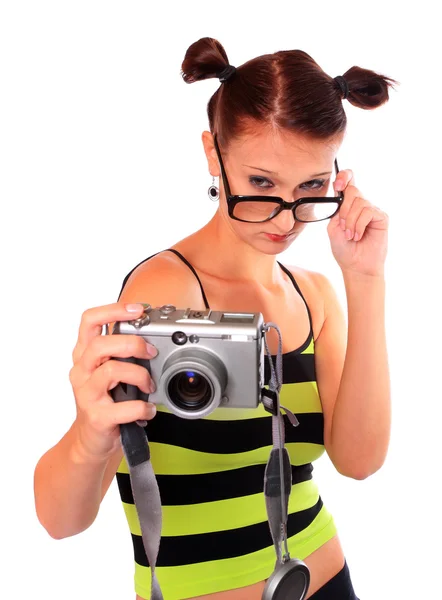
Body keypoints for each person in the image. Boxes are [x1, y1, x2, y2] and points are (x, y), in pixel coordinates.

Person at [34, 37, 396, 600]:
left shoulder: (314, 295)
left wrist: (366, 278)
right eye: (260, 184)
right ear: (213, 153)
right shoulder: (164, 291)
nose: (286, 218)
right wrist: (90, 432)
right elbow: (61, 521)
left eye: (311, 188)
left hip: (325, 577)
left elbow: (359, 461)